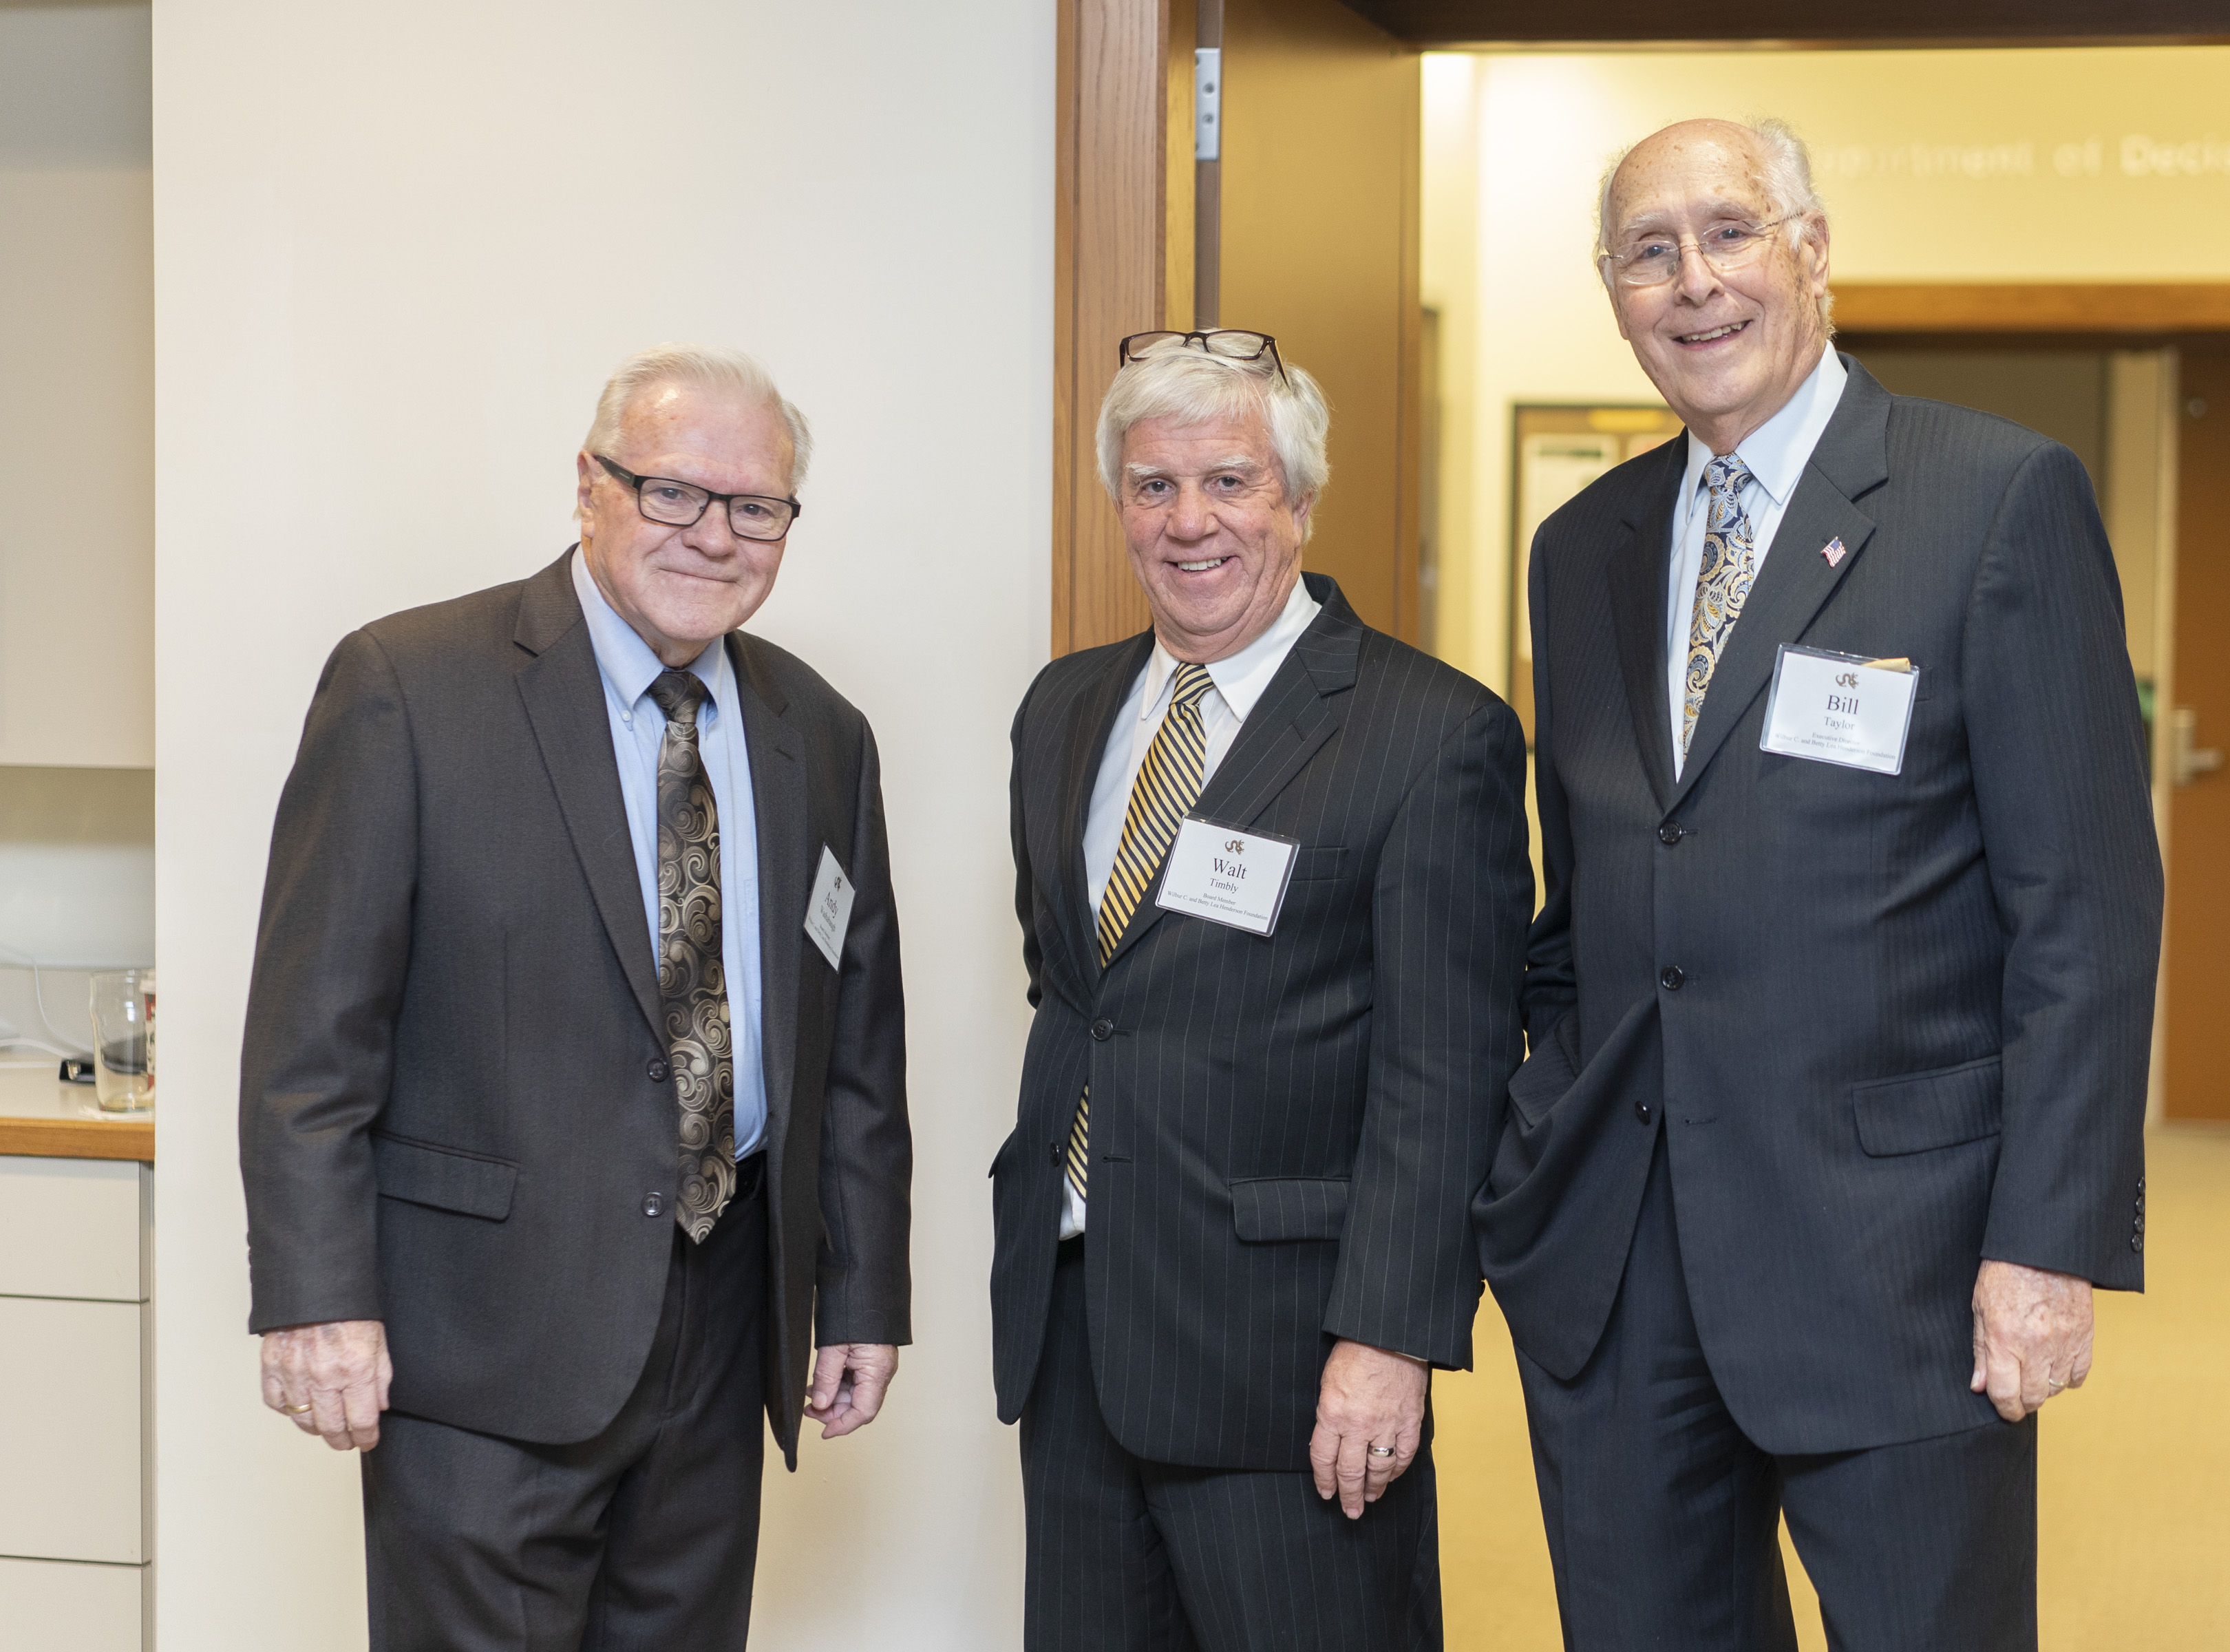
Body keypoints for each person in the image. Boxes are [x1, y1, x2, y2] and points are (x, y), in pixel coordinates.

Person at [1474, 120, 2160, 1650]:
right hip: (1623, 1259)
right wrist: (1533, 1150)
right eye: (1648, 252)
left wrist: (2044, 1248)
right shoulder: (1580, 550)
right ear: (1612, 289)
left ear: (1815, 251)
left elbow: (2088, 916)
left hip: (1898, 1259)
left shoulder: (1994, 500)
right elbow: (1592, 892)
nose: (1693, 283)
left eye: (1730, 233)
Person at [238, 343, 912, 1649]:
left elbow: (856, 1049)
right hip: (480, 1339)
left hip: (723, 1334)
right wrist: (316, 1299)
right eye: (670, 492)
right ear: (589, 488)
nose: (713, 536)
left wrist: (863, 1290)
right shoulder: (409, 687)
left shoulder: (821, 735)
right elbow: (309, 1042)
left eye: (754, 507)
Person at [991, 330, 1531, 1651]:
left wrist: (1391, 1343)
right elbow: (1077, 988)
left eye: (1230, 483)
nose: (1190, 524)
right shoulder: (1063, 709)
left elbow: (1447, 1074)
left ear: (1297, 499)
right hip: (1074, 1330)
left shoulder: (1429, 733)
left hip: (1291, 1362)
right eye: (1154, 486)